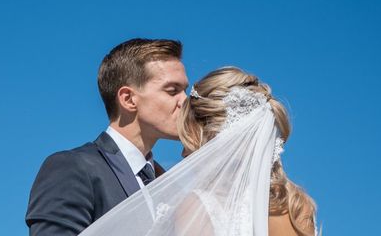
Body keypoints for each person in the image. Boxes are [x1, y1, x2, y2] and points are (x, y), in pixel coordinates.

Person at [77, 66, 319, 236]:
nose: (183, 154)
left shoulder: (199, 207)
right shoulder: (299, 209)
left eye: (186, 139)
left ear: (206, 139)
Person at [25, 38, 190, 236]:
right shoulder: (72, 168)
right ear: (128, 99)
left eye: (185, 90)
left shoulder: (170, 187)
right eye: (173, 91)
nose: (186, 101)